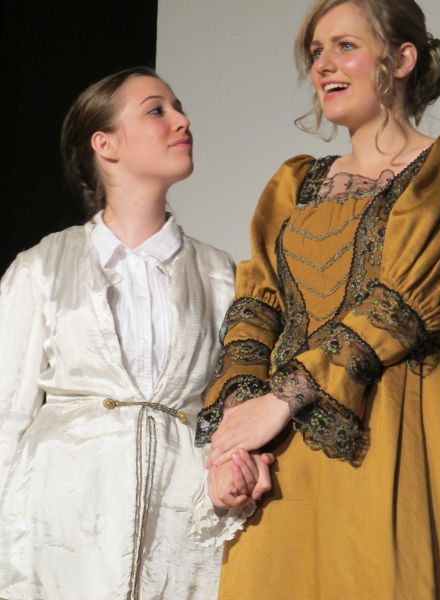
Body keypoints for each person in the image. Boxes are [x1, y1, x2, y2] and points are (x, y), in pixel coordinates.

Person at [197, 1, 440, 598]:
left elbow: (397, 306)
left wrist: (282, 400)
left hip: (390, 425)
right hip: (280, 455)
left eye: (345, 46)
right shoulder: (295, 183)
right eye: (316, 52)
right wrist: (239, 429)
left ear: (402, 59)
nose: (323, 65)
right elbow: (256, 307)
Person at [0, 66, 271, 600]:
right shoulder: (42, 268)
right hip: (58, 529)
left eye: (179, 108)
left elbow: (231, 407)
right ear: (105, 144)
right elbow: (6, 415)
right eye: (156, 110)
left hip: (180, 528)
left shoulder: (222, 276)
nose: (182, 121)